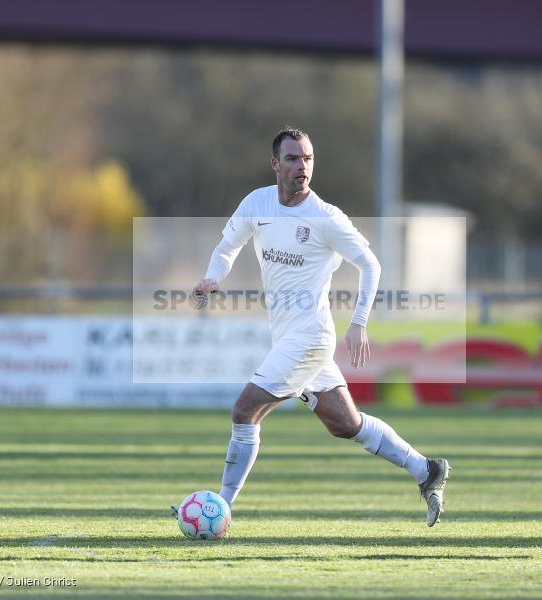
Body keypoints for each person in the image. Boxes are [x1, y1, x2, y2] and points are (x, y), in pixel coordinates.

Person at [184, 127, 450, 527]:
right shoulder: (257, 203)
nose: (302, 166)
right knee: (346, 424)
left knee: (244, 411)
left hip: (310, 339)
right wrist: (213, 277)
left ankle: (219, 510)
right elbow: (227, 248)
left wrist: (359, 322)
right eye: (292, 159)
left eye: (307, 158)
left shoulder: (325, 218)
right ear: (275, 164)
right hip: (290, 337)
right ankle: (425, 469)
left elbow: (371, 265)